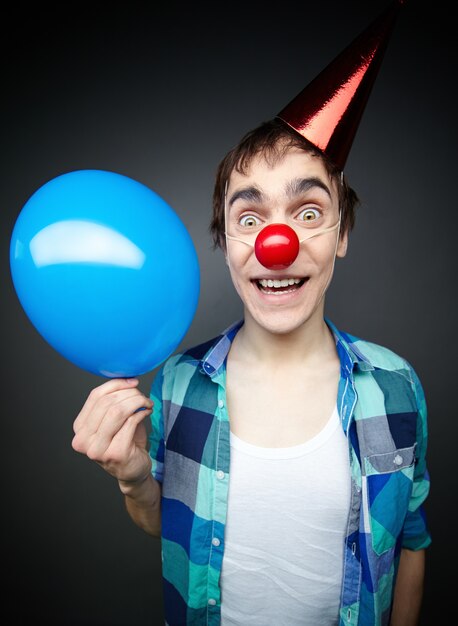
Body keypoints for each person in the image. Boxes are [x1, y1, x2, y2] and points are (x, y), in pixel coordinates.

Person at [71, 2, 431, 625]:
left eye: (309, 213)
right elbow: (165, 523)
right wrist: (132, 480)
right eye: (250, 217)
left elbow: (412, 539)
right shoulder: (179, 383)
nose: (277, 242)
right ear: (229, 245)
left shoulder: (396, 385)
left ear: (341, 235)